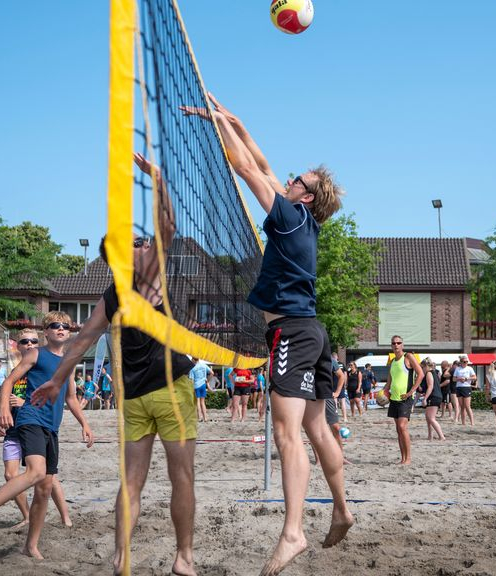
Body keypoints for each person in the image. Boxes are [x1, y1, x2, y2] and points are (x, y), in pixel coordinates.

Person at [185, 93, 353, 574]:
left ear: (304, 194)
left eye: (298, 178)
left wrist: (219, 126)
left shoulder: (285, 214)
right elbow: (260, 161)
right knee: (316, 428)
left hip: (292, 335)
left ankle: (294, 533)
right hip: (313, 331)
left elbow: (245, 168)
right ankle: (341, 508)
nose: (289, 177)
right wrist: (237, 119)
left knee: (286, 433)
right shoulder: (305, 223)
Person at [31, 153, 201, 574]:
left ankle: (122, 555)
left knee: (131, 483)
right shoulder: (149, 275)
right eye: (136, 243)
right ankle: (184, 557)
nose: (144, 244)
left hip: (133, 401)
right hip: (169, 391)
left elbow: (83, 341)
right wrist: (157, 177)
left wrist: (56, 381)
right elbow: (168, 225)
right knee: (182, 478)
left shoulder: (112, 295)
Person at [0, 312, 94, 560]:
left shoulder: (69, 361)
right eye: (55, 325)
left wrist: (85, 423)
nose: (61, 329)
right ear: (45, 332)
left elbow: (70, 398)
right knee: (35, 472)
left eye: (65, 326)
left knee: (45, 489)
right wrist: (4, 409)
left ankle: (30, 546)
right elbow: (8, 383)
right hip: (30, 418)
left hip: (52, 426)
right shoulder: (36, 354)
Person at [0, 328, 72, 532]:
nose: (29, 344)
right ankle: (27, 516)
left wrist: (25, 403)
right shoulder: (15, 370)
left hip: (34, 423)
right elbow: (5, 396)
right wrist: (2, 418)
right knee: (10, 475)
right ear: (17, 346)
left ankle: (65, 517)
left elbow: (54, 395)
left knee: (48, 476)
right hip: (14, 429)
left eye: (33, 341)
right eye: (24, 342)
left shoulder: (41, 366)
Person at [386, 336, 424, 464]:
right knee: (398, 430)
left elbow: (421, 374)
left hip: (405, 398)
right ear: (391, 345)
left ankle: (408, 459)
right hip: (394, 398)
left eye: (398, 343)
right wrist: (385, 391)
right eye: (393, 343)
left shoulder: (408, 357)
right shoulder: (392, 361)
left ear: (402, 344)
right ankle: (402, 458)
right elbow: (390, 380)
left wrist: (411, 392)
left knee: (402, 427)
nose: (396, 345)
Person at [421, 359, 444, 440]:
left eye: (422, 367)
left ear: (426, 366)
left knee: (431, 418)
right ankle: (430, 436)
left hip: (434, 396)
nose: (422, 369)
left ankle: (441, 436)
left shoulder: (429, 373)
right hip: (436, 395)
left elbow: (430, 387)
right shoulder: (435, 373)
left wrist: (425, 398)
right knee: (428, 417)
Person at [452, 355, 477, 425]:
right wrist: (460, 379)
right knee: (462, 406)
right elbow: (453, 379)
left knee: (467, 406)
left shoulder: (469, 368)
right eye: (464, 361)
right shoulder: (457, 369)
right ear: (461, 362)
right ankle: (463, 422)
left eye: (466, 361)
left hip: (466, 387)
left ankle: (472, 422)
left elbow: (474, 377)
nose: (466, 363)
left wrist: (466, 379)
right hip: (459, 387)